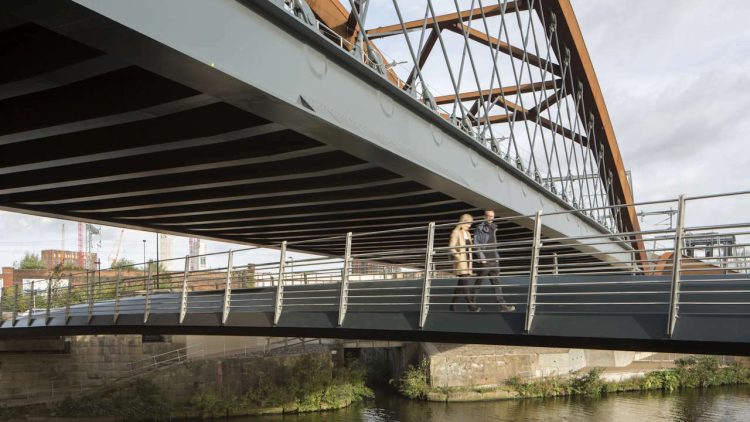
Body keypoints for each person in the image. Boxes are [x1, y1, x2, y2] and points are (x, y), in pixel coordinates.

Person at [473, 210, 515, 312]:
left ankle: (502, 305)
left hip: (494, 260)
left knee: (497, 284)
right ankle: (471, 304)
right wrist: (482, 259)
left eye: (492, 216)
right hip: (485, 261)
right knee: (478, 283)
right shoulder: (480, 228)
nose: (490, 218)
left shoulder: (494, 227)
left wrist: (497, 258)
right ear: (484, 216)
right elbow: (476, 244)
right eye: (488, 216)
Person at [449, 213, 480, 312]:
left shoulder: (468, 233)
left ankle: (452, 306)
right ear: (463, 222)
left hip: (468, 261)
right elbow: (451, 247)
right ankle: (471, 306)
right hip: (461, 261)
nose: (469, 226)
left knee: (461, 285)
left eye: (470, 224)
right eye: (468, 223)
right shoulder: (456, 232)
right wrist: (458, 257)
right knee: (465, 283)